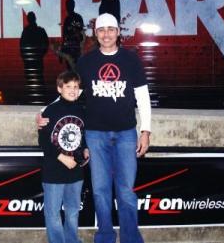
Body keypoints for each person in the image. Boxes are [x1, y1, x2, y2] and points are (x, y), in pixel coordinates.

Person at [38, 13, 151, 243]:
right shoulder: (86, 62)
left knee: (126, 191)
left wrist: (145, 131)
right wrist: (44, 112)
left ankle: (130, 238)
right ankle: (105, 237)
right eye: (101, 30)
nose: (106, 34)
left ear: (118, 32)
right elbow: (72, 92)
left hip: (126, 133)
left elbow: (143, 97)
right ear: (95, 34)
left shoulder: (131, 60)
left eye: (111, 29)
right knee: (100, 191)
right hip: (95, 135)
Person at [38, 70, 89, 243]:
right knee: (53, 213)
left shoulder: (82, 110)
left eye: (76, 87)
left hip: (75, 171)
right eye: (68, 87)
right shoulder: (50, 111)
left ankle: (72, 240)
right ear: (59, 89)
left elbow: (83, 137)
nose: (73, 90)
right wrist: (62, 157)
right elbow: (44, 141)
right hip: (54, 171)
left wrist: (86, 150)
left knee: (73, 211)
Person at [20, 11, 49, 96]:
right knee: (39, 78)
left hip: (30, 60)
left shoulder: (26, 32)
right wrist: (41, 54)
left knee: (31, 80)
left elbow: (22, 46)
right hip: (36, 59)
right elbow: (46, 44)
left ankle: (33, 95)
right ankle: (41, 95)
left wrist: (25, 58)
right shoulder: (39, 30)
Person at [61, 0, 85, 70]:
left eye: (69, 5)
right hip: (74, 47)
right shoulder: (75, 18)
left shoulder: (69, 19)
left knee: (73, 69)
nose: (68, 7)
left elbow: (66, 36)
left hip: (73, 47)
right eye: (68, 5)